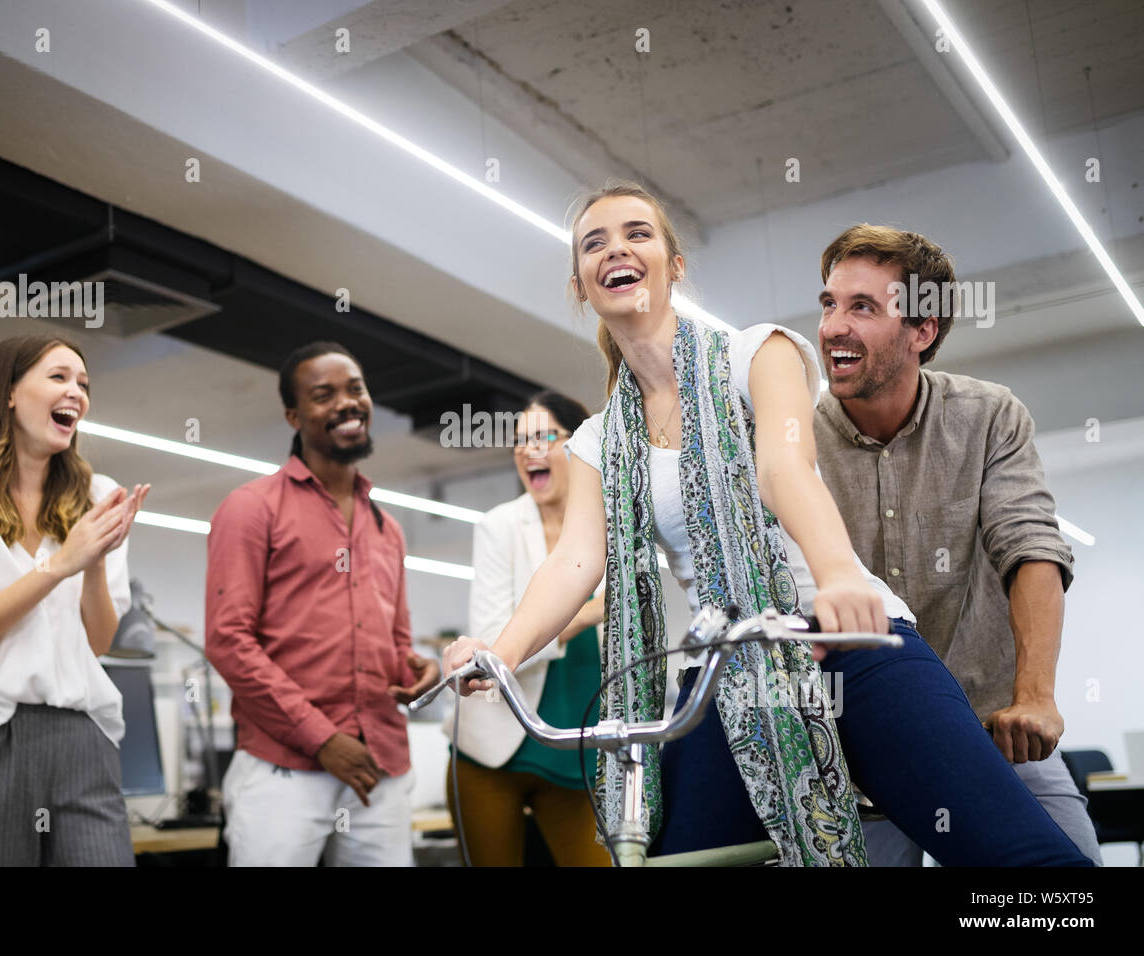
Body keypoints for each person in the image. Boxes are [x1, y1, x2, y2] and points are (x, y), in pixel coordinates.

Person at [443, 180, 1091, 866]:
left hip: (846, 642)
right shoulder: (599, 440)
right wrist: (501, 650)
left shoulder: (755, 355)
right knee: (680, 859)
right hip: (726, 673)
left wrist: (839, 573)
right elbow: (575, 561)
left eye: (637, 233)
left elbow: (786, 469)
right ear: (581, 283)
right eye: (593, 243)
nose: (616, 250)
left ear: (674, 264)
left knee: (1024, 863)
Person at [810, 224, 1102, 865]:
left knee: (1065, 892)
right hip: (853, 755)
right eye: (829, 303)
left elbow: (1030, 549)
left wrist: (1035, 698)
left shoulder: (989, 416)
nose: (832, 326)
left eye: (863, 307)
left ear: (924, 330)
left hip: (989, 733)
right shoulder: (793, 442)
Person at [0, 334, 149, 866]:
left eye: (84, 384)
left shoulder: (96, 496)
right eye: (59, 377)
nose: (77, 393)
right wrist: (61, 564)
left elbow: (100, 641)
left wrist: (93, 563)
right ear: (11, 392)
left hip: (83, 735)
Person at [206, 341, 440, 866]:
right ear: (294, 415)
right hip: (283, 770)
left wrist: (416, 668)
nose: (347, 403)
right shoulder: (251, 509)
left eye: (355, 389)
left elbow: (395, 641)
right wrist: (322, 739)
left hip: (378, 768)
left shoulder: (388, 528)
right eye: (323, 394)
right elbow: (228, 642)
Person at [444, 391, 611, 867]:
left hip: (575, 749)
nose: (528, 450)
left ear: (579, 446)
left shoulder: (610, 526)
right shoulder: (500, 527)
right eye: (520, 441)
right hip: (493, 751)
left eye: (543, 437)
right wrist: (587, 611)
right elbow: (496, 643)